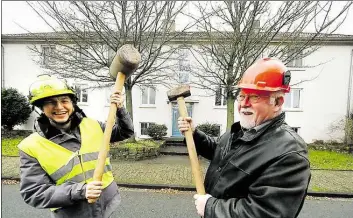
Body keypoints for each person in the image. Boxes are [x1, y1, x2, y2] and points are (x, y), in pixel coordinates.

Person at [178, 57, 311, 218]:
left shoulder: (290, 154)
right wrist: (194, 134)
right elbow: (219, 152)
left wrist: (211, 207)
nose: (244, 104)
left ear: (277, 102)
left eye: (255, 97)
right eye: (242, 96)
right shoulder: (242, 129)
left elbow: (264, 213)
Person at [18, 75, 134, 218]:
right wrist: (81, 191)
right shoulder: (30, 146)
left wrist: (120, 109)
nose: (59, 107)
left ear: (73, 103)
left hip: (107, 205)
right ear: (41, 108)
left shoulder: (93, 125)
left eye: (64, 101)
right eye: (51, 102)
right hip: (72, 213)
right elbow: (33, 192)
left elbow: (125, 132)